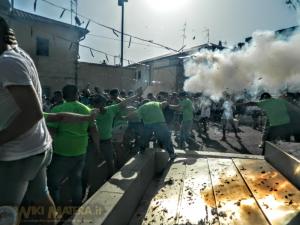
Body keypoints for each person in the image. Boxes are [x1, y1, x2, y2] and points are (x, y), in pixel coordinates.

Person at [0, 17, 54, 224]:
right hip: (36, 147)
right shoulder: (18, 54)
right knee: (41, 197)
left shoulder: (6, 62)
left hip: (16, 154)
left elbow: (33, 112)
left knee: (5, 212)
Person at [47, 85, 100, 207]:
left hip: (61, 153)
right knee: (76, 181)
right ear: (77, 94)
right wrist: (97, 148)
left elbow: (51, 133)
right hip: (80, 152)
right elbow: (94, 131)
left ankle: (56, 209)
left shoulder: (57, 110)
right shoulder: (87, 110)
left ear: (63, 95)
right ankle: (76, 206)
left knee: (53, 183)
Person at [92, 88, 143, 178]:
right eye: (96, 104)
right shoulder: (92, 113)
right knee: (99, 161)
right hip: (94, 141)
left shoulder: (110, 109)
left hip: (106, 140)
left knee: (110, 159)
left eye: (99, 103)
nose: (98, 106)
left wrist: (137, 95)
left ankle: (112, 175)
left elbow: (124, 102)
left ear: (104, 103)